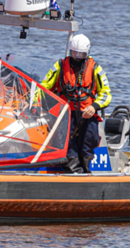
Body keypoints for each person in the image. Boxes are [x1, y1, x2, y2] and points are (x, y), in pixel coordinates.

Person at [40, 33, 112, 173]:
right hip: (65, 115)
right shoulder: (60, 66)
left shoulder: (96, 68)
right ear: (69, 51)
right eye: (74, 53)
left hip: (87, 114)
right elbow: (44, 87)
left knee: (88, 144)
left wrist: (94, 106)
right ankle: (75, 173)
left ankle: (88, 172)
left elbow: (106, 94)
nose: (77, 57)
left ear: (87, 53)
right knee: (67, 146)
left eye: (81, 54)